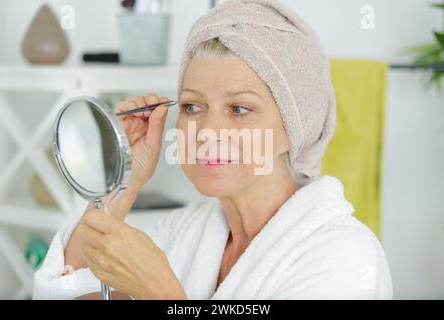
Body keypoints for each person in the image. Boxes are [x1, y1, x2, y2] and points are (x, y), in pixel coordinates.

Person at [33, 0, 393, 299]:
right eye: (192, 106)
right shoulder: (186, 232)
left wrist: (158, 290)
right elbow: (69, 293)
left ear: (293, 130)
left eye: (239, 109)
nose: (207, 132)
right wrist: (122, 181)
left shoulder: (343, 256)